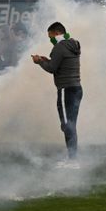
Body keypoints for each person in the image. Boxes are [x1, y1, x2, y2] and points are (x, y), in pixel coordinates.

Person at [31, 22, 82, 167]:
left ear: (56, 33)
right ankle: (72, 157)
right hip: (77, 88)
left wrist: (39, 62)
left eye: (50, 36)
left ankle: (73, 160)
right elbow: (61, 63)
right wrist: (46, 59)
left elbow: (52, 68)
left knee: (67, 125)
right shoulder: (74, 43)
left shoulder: (59, 47)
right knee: (71, 124)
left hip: (66, 89)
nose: (50, 39)